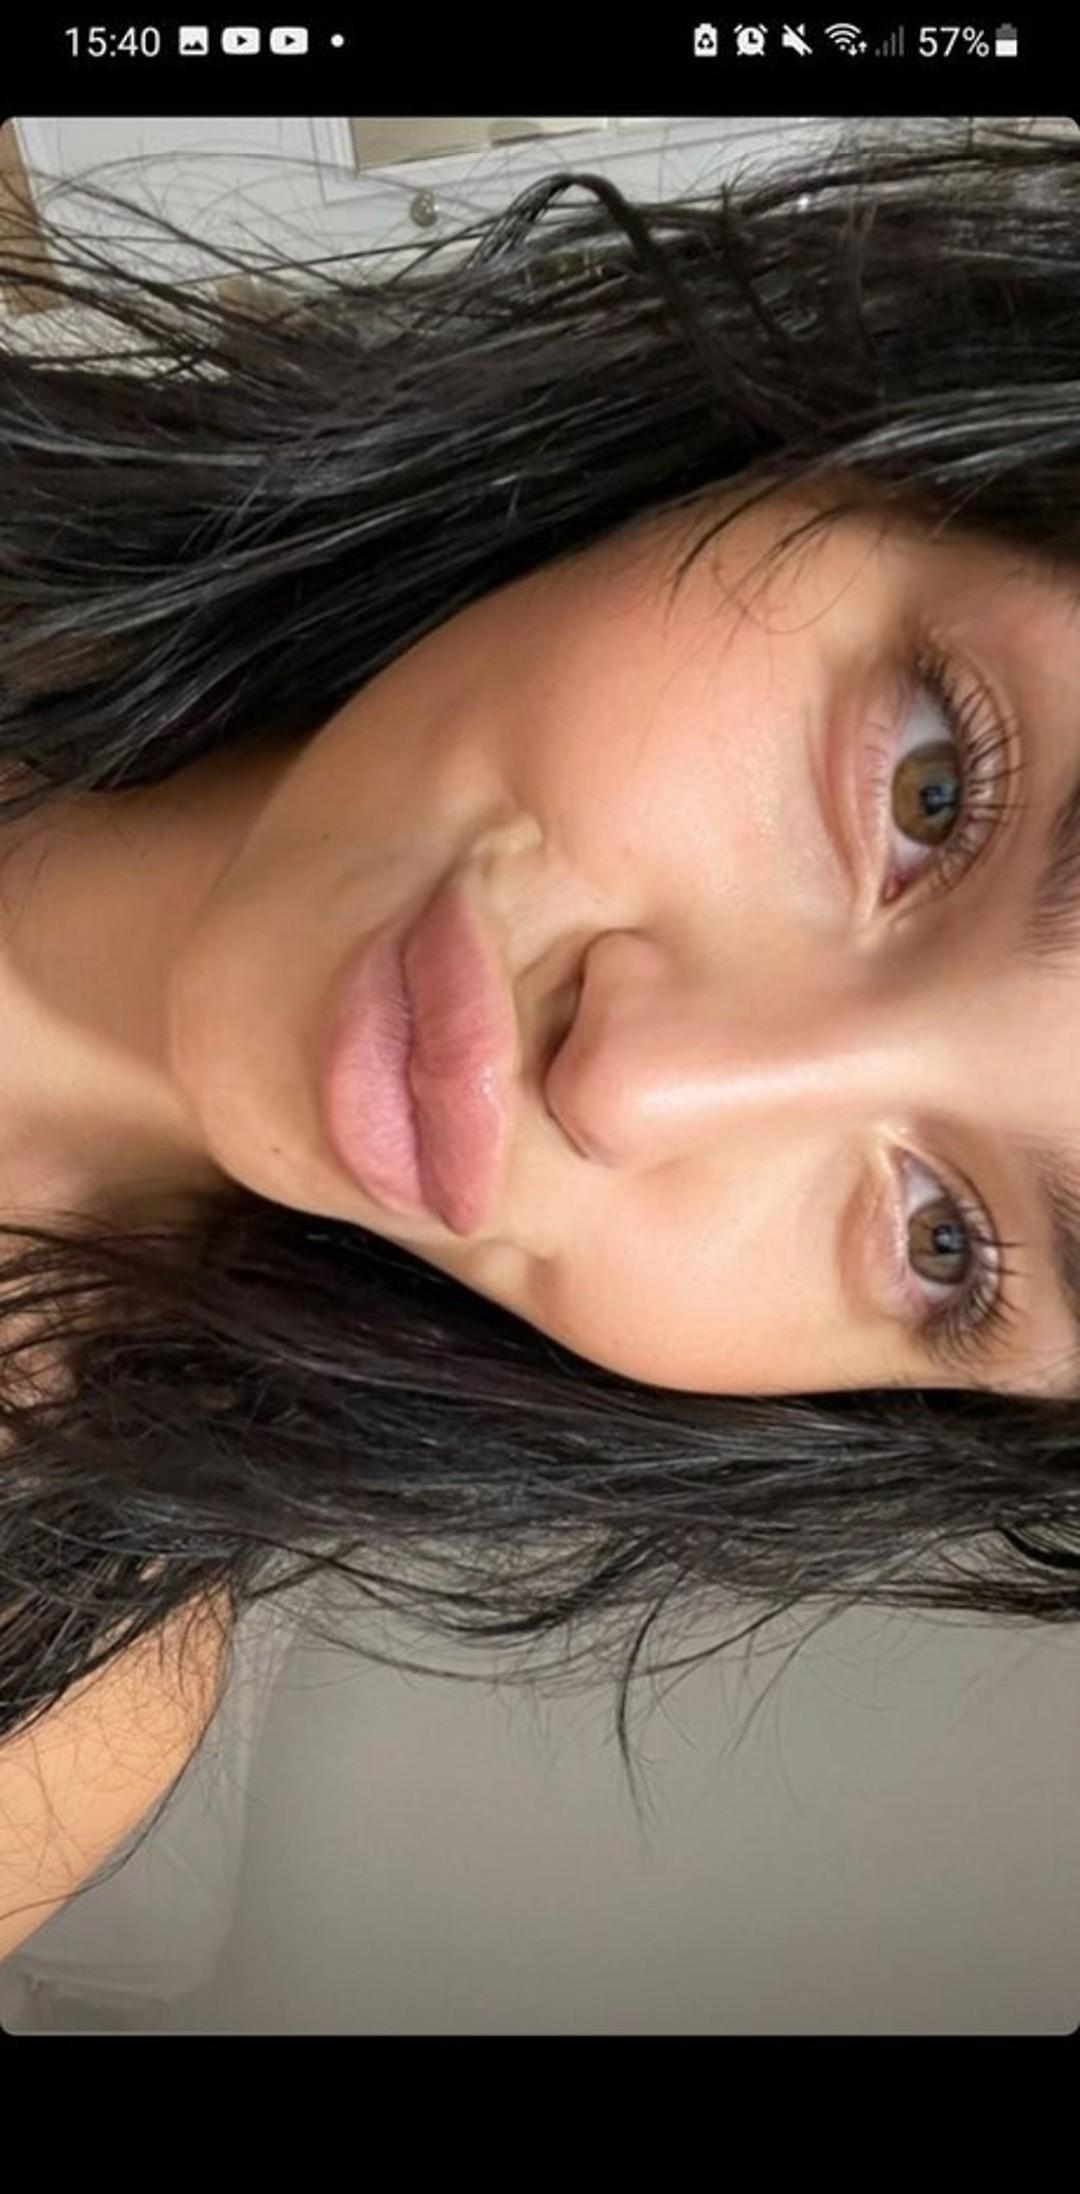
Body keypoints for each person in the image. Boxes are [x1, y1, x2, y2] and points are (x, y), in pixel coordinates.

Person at [2, 118, 1080, 1958]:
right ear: (847, 446)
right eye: (931, 790)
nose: (634, 1084)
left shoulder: (46, 1735)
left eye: (945, 1243)